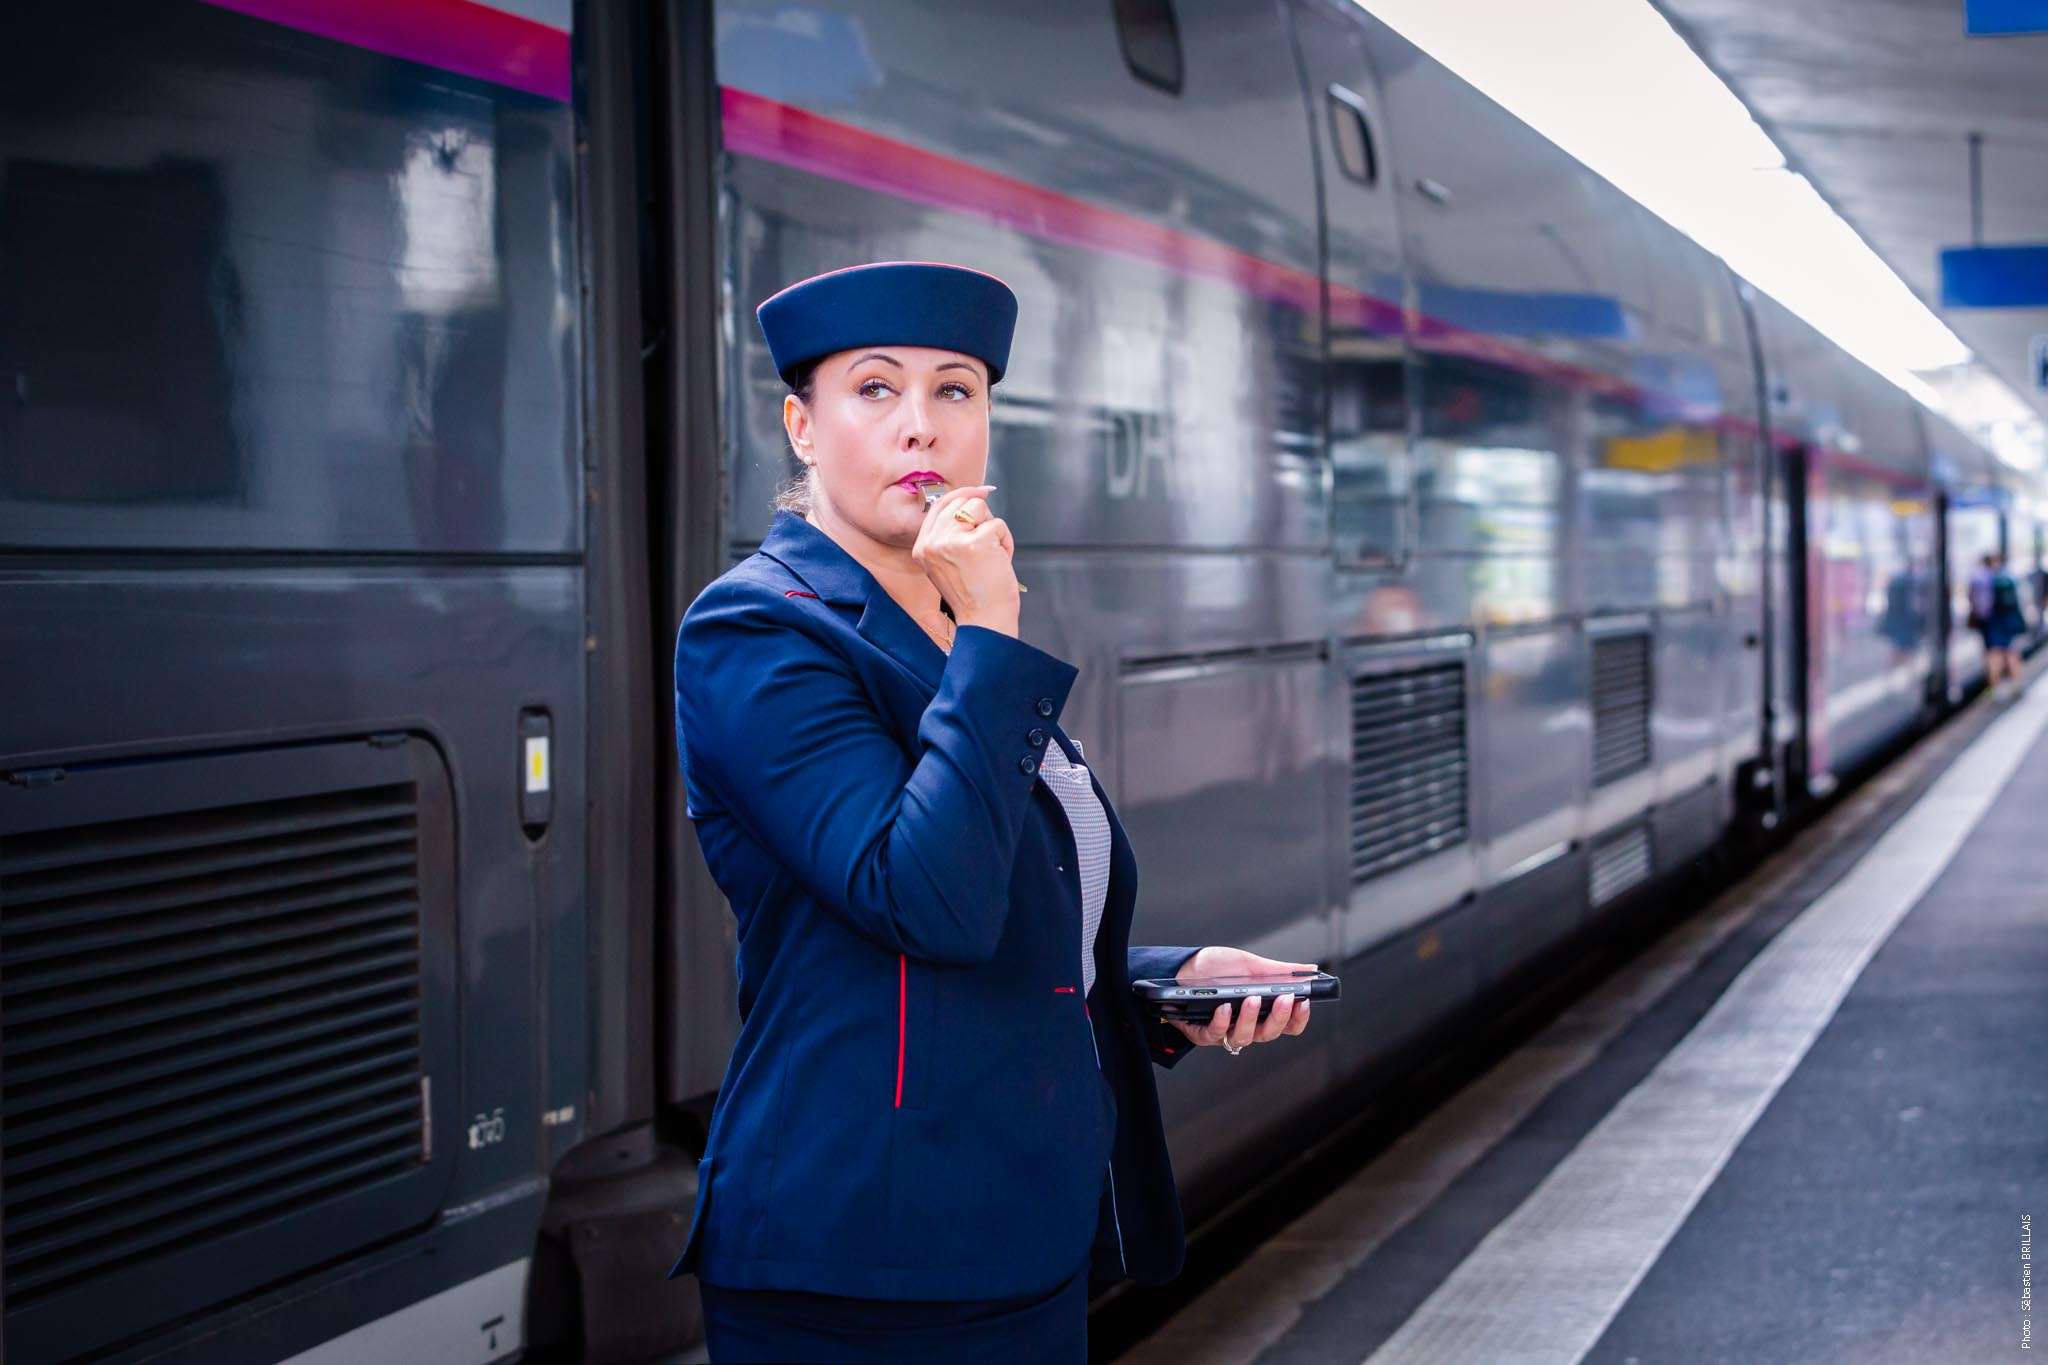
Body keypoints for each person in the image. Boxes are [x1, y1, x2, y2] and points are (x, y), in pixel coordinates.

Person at [666, 261, 1315, 1362]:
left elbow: (1003, 898)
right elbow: (926, 901)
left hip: (1011, 1229)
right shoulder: (759, 632)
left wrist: (1153, 981)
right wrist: (996, 635)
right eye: (873, 391)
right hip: (868, 1256)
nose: (920, 428)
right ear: (802, 428)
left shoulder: (948, 633)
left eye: (954, 391)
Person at [1978, 553, 2027, 700]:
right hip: (2011, 622)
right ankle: (2017, 685)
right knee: (2012, 653)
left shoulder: (1984, 580)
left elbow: (1981, 608)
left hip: (1994, 623)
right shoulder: (2008, 578)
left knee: (1995, 655)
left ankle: (1994, 689)